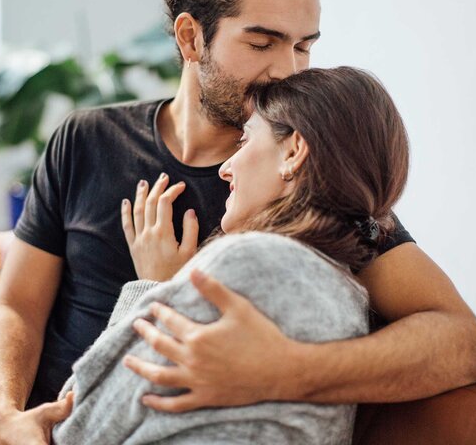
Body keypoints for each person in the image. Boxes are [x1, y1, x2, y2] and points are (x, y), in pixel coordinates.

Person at [0, 0, 476, 444]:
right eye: (262, 42)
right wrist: (3, 415)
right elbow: (18, 306)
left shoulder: (302, 178)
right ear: (189, 36)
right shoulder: (86, 138)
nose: (286, 71)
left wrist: (281, 370)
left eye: (303, 46)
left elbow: (460, 341)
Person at [51, 66, 409, 444]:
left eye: (244, 141)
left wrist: (152, 288)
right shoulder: (348, 295)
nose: (225, 168)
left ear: (293, 151)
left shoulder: (247, 261)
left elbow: (76, 420)